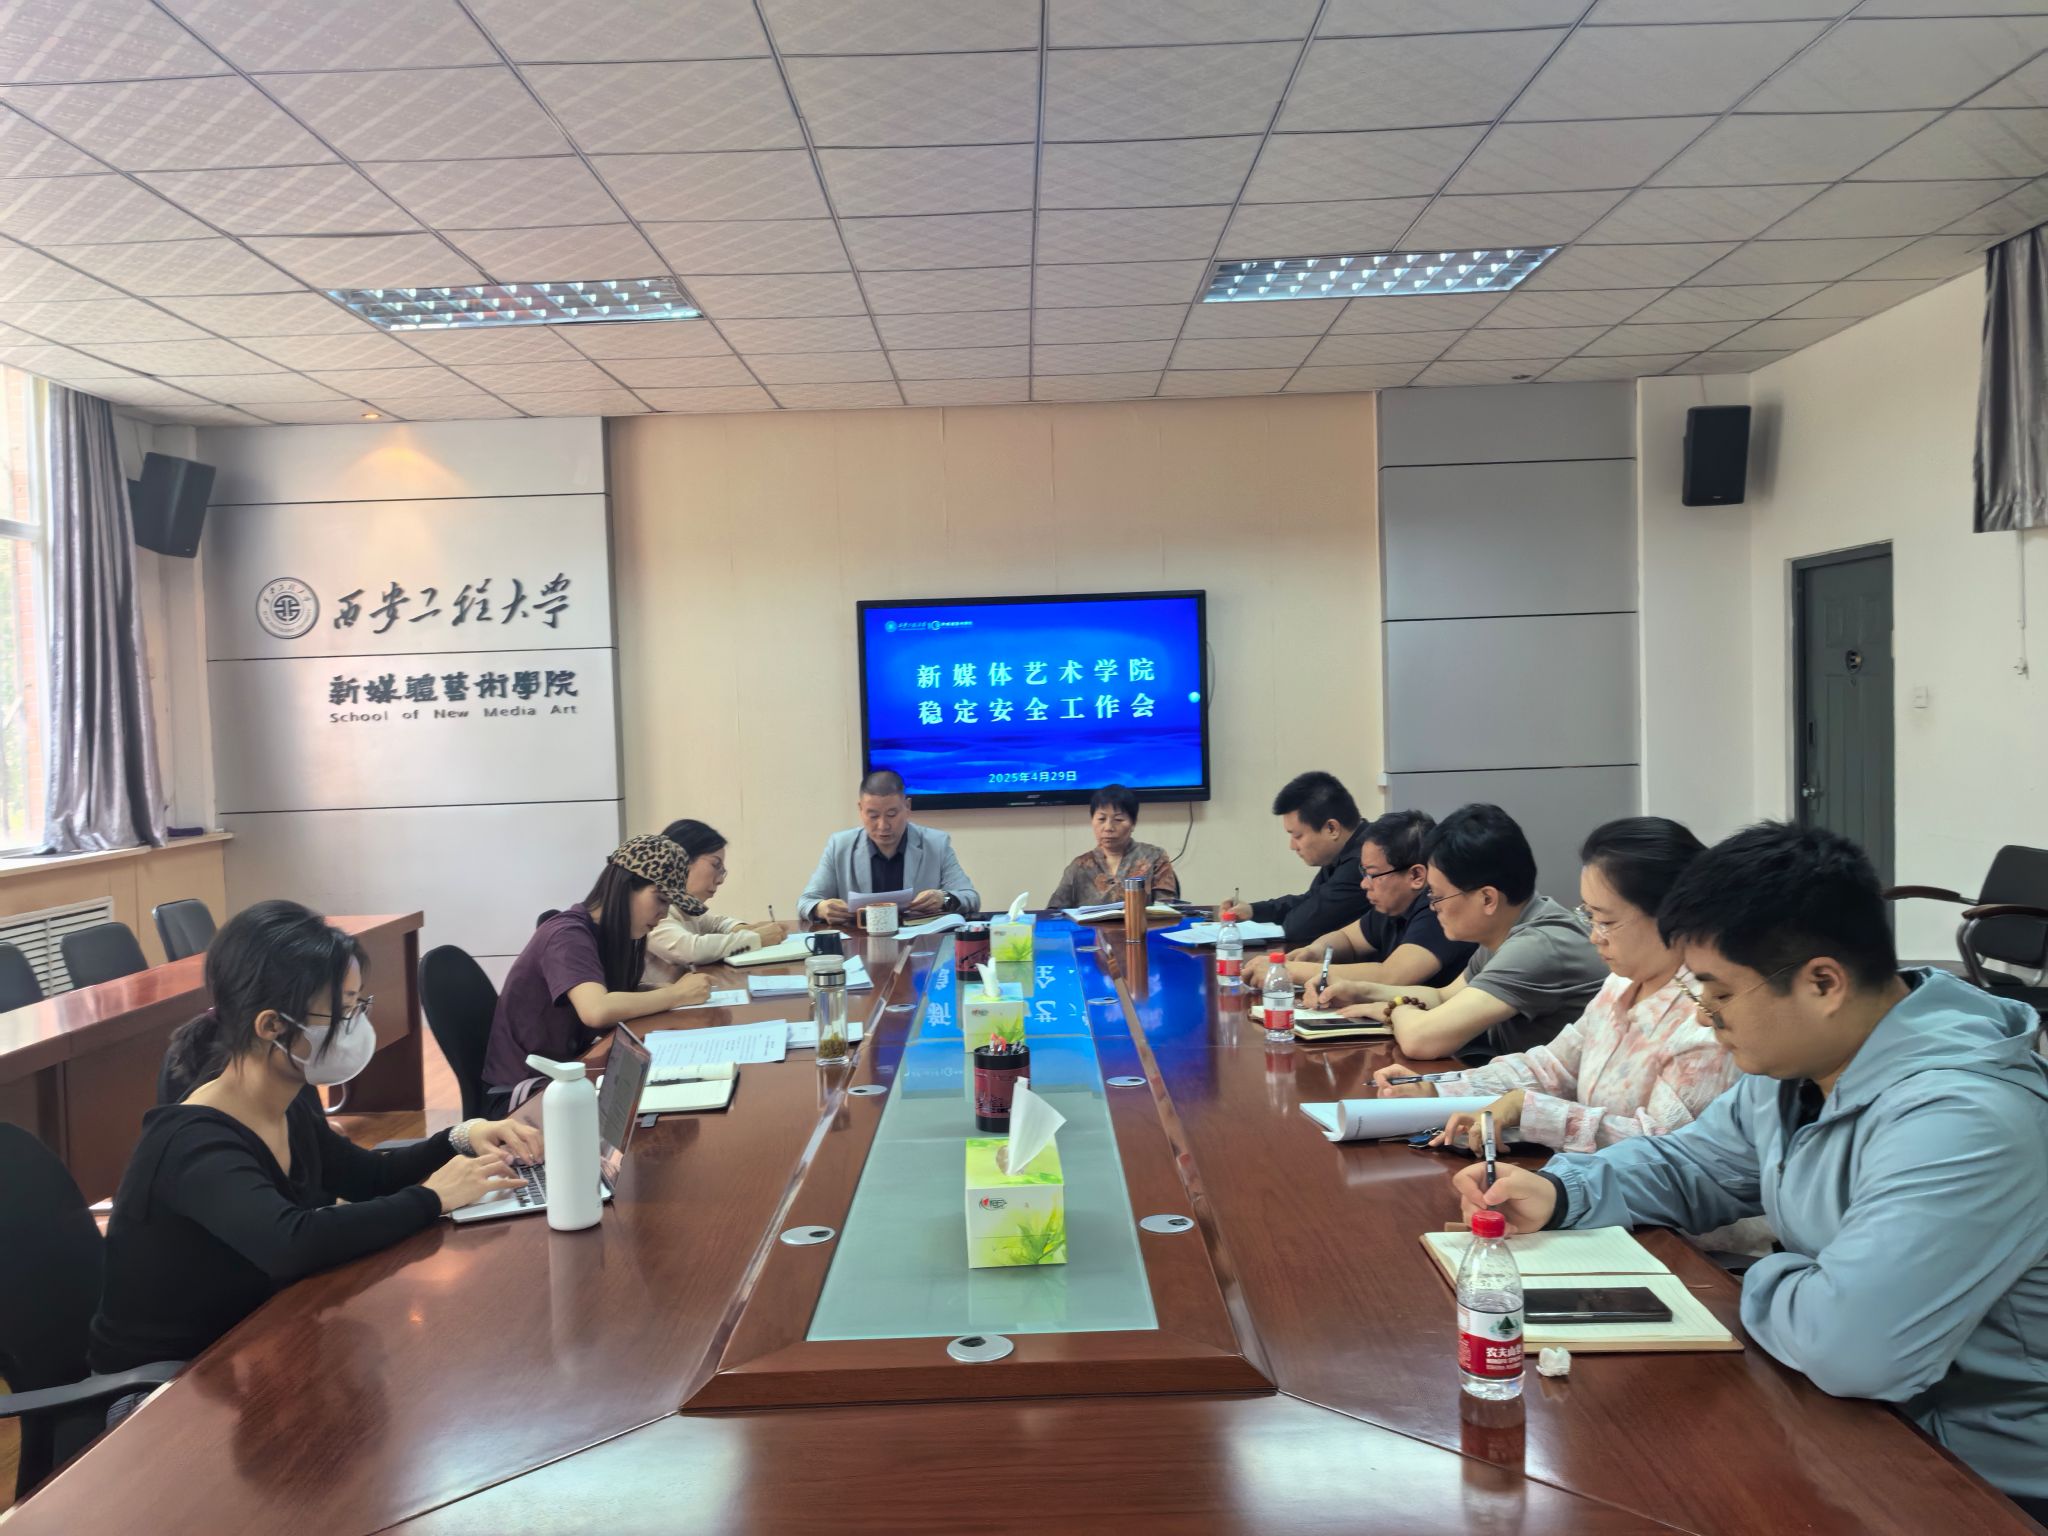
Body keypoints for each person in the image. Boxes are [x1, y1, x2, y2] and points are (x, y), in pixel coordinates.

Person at [1454, 823, 2048, 1523]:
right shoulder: (1797, 1067)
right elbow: (1691, 1163)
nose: (1703, 1014)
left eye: (1719, 991)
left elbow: (1853, 1348)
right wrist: (1561, 1191)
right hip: (1849, 1419)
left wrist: (1761, 1275)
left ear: (1822, 982)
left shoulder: (1967, 1122)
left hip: (1979, 1479)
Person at [90, 901, 539, 1377]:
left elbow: (369, 1177)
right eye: (343, 1011)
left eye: (358, 1004)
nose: (357, 1025)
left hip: (254, 1347)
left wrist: (463, 1137)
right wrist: (433, 1198)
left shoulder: (289, 1098)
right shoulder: (194, 1143)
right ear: (271, 1026)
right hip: (162, 1387)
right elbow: (292, 1242)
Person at [1308, 802, 1603, 1060]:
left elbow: (1422, 1040)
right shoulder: (1509, 927)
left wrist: (1393, 1009)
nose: (1432, 906)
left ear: (1487, 899)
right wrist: (1360, 991)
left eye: (1438, 896)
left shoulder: (1538, 947)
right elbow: (1443, 997)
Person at [484, 834, 709, 1109]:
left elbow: (616, 994)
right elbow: (596, 1010)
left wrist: (664, 992)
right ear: (624, 887)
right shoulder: (567, 935)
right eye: (661, 899)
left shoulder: (616, 935)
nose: (663, 913)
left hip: (571, 1075)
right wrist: (677, 995)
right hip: (526, 1094)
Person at [1244, 809, 1473, 992]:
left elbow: (1392, 976)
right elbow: (1348, 939)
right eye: (1363, 873)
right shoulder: (1392, 906)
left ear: (1416, 876)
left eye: (1372, 874)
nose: (1364, 884)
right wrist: (1315, 951)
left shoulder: (1437, 910)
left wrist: (1288, 970)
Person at [799, 768, 979, 924]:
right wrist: (821, 908)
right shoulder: (840, 846)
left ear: (907, 807)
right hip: (860, 943)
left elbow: (970, 897)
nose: (883, 825)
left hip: (920, 943)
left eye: (892, 814)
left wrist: (944, 899)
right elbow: (806, 902)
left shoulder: (936, 843)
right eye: (873, 816)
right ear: (860, 809)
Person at [1218, 770, 1373, 951]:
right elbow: (1311, 900)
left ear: (1332, 828)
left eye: (1297, 836)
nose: (1292, 846)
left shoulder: (1363, 862)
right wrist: (1253, 911)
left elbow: (1300, 926)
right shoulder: (1345, 850)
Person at [642, 818, 788, 984]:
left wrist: (745, 929)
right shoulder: (655, 904)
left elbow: (715, 923)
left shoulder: (683, 905)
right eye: (715, 865)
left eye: (722, 871)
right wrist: (757, 938)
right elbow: (690, 950)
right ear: (681, 859)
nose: (720, 880)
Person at [1047, 783, 1181, 909]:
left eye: (1118, 820)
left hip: (1142, 926)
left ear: (1133, 823)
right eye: (1101, 819)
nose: (1108, 827)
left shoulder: (1155, 857)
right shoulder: (1079, 866)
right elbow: (1053, 913)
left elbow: (1166, 909)